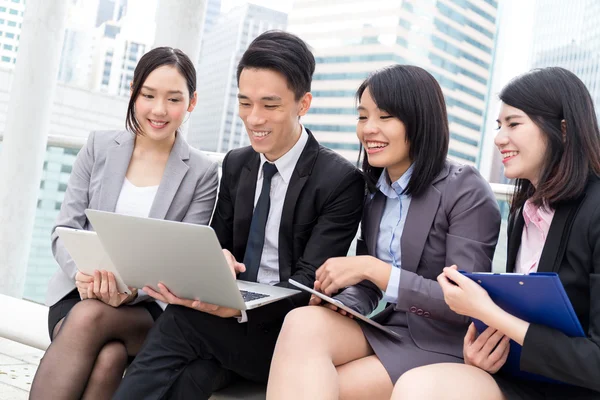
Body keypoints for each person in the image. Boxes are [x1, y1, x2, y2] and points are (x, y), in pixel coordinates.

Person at [112, 30, 365, 399]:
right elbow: (218, 243)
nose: (254, 118)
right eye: (245, 103)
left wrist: (235, 310)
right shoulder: (237, 164)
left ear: (303, 104)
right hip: (226, 326)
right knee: (191, 376)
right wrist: (218, 263)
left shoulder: (340, 180)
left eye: (270, 105)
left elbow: (310, 283)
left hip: (284, 333)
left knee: (179, 324)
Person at [266, 65, 502, 400]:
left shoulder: (464, 188)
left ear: (420, 121)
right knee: (303, 322)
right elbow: (368, 287)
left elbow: (464, 305)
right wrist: (341, 303)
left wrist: (375, 270)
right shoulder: (377, 191)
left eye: (385, 116)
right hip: (389, 328)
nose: (368, 129)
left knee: (329, 386)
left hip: (442, 342)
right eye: (363, 117)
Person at [391, 67, 600, 399]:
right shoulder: (522, 213)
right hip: (525, 381)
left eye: (514, 124)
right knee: (418, 385)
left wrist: (486, 311)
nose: (500, 138)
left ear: (562, 130)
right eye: (499, 125)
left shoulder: (594, 211)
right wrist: (487, 354)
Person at [29, 47, 219, 400]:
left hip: (146, 310)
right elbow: (63, 230)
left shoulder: (202, 173)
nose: (159, 110)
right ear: (133, 92)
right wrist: (82, 277)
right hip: (79, 293)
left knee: (90, 320)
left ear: (191, 103)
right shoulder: (99, 146)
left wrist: (133, 291)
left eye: (173, 99)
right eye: (148, 95)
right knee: (108, 355)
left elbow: (184, 261)